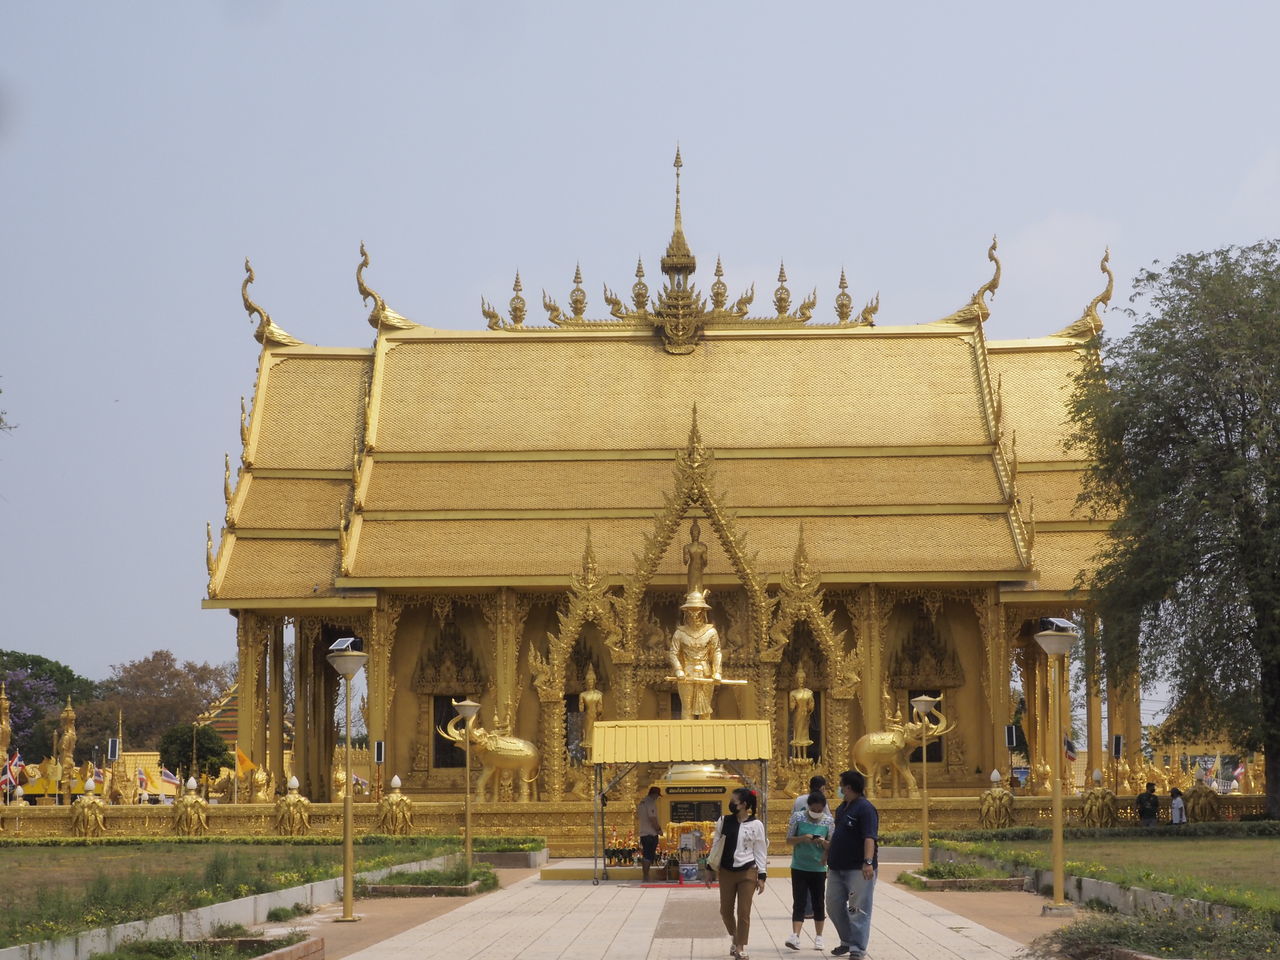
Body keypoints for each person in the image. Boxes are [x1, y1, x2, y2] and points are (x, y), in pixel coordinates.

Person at [709, 786, 768, 960]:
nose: (731, 803)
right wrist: (709, 868)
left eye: (734, 800)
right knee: (725, 911)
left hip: (748, 871)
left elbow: (760, 850)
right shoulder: (723, 821)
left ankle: (741, 947)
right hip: (726, 870)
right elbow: (716, 845)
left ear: (743, 804)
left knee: (744, 912)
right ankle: (735, 936)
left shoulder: (756, 825)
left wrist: (762, 875)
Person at [825, 770, 878, 958]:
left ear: (848, 787)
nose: (839, 788)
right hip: (837, 867)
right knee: (832, 904)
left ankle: (857, 947)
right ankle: (847, 939)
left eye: (841, 785)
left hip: (858, 869)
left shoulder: (865, 808)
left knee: (857, 908)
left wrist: (868, 862)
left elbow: (869, 837)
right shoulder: (842, 808)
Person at [785, 791, 834, 951]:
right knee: (799, 901)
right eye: (814, 809)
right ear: (808, 806)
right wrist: (803, 838)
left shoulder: (828, 821)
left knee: (818, 902)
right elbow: (788, 840)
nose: (816, 813)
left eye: (820, 810)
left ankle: (819, 937)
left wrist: (822, 843)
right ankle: (795, 936)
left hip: (818, 867)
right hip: (799, 866)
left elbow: (831, 845)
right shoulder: (798, 817)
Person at [637, 786, 663, 882]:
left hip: (643, 832)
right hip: (650, 833)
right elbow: (652, 819)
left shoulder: (642, 802)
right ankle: (646, 876)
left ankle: (646, 876)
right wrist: (659, 830)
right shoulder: (650, 803)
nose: (657, 798)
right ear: (654, 794)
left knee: (646, 855)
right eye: (657, 796)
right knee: (648, 855)